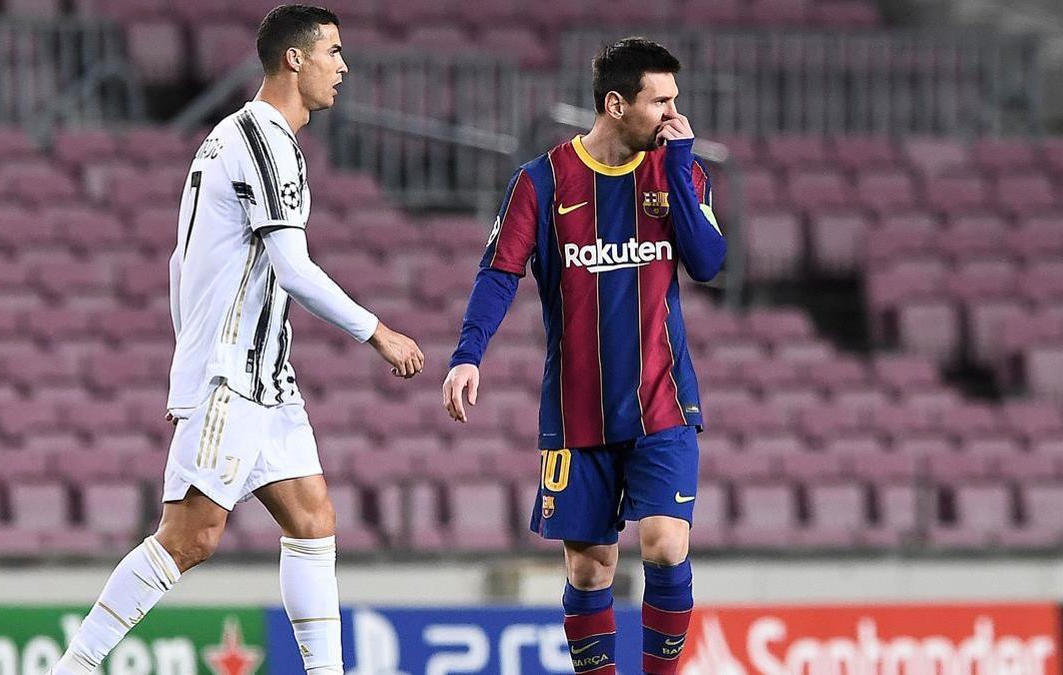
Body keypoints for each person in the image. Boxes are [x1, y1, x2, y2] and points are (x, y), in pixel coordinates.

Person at [50, 6, 423, 675]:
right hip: (232, 375)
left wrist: (183, 359)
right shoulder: (266, 143)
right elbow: (293, 270)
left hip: (262, 377)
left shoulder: (229, 138)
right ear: (295, 59)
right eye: (333, 52)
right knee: (191, 537)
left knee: (312, 518)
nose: (343, 66)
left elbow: (178, 261)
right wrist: (378, 331)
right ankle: (73, 666)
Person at [442, 37, 726, 675]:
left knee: (663, 544)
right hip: (577, 413)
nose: (676, 116)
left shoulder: (677, 168)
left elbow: (708, 262)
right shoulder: (541, 183)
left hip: (664, 400)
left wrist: (679, 170)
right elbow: (498, 273)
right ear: (617, 104)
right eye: (662, 102)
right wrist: (468, 355)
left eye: (676, 100)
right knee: (590, 566)